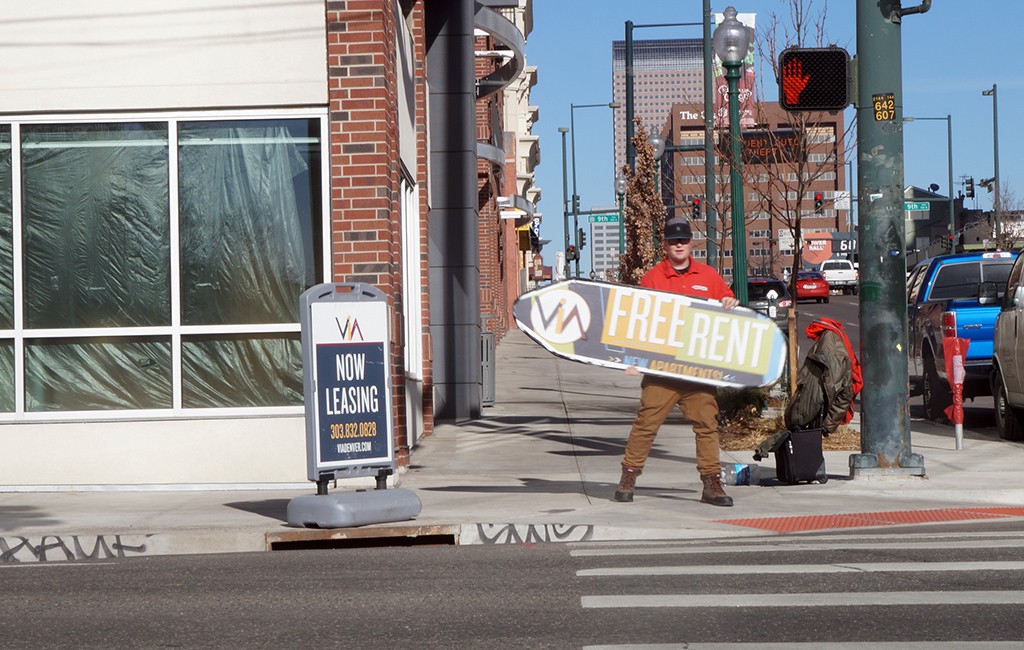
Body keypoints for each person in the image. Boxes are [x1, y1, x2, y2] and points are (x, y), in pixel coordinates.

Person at [615, 217, 740, 507]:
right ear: (666, 245)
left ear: (691, 242)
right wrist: (634, 358)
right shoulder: (653, 278)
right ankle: (628, 477)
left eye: (683, 239)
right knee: (646, 423)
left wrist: (729, 303)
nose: (679, 245)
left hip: (698, 371)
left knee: (707, 425)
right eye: (673, 240)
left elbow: (728, 304)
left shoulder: (709, 276)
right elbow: (640, 319)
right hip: (662, 371)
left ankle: (712, 484)